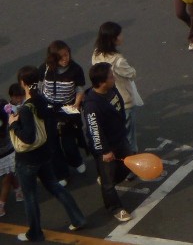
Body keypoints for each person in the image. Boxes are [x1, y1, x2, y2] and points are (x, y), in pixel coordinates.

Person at [8, 77, 87, 240]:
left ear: (23, 83)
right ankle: (78, 218)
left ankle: (35, 232)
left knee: (30, 197)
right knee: (55, 186)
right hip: (44, 153)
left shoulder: (26, 108)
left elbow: (28, 137)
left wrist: (13, 124)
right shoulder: (42, 101)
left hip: (27, 159)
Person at [81, 63, 133, 223]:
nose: (114, 78)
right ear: (102, 82)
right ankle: (115, 207)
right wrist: (104, 151)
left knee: (126, 166)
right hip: (107, 147)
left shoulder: (111, 90)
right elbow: (95, 131)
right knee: (108, 181)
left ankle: (104, 180)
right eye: (111, 76)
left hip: (120, 138)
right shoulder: (92, 106)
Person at [90, 22, 142, 153]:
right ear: (113, 39)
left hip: (107, 100)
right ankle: (132, 159)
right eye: (119, 35)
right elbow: (131, 74)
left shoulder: (96, 54)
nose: (122, 37)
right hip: (124, 101)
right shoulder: (118, 61)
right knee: (129, 135)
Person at [39, 42, 86, 176]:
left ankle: (76, 161)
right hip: (48, 111)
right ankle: (61, 173)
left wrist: (76, 104)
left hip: (67, 110)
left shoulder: (76, 69)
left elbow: (79, 88)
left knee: (69, 142)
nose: (65, 58)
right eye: (61, 57)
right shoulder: (45, 68)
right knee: (53, 145)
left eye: (67, 54)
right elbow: (39, 85)